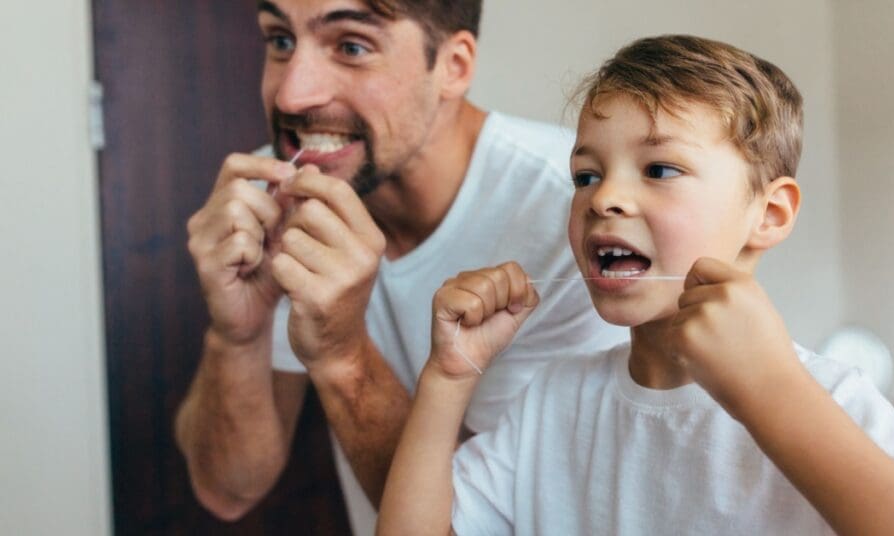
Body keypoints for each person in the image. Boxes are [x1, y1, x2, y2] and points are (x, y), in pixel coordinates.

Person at [377, 35, 894, 535]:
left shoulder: (830, 398)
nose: (607, 199)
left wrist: (772, 392)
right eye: (586, 176)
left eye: (659, 168)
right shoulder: (553, 403)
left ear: (769, 214)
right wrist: (448, 380)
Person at [173, 1, 627, 533]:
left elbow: (495, 526)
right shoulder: (273, 199)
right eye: (280, 40)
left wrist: (343, 357)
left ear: (453, 66)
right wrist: (237, 335)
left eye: (351, 47)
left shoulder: (580, 221)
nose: (292, 94)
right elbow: (227, 489)